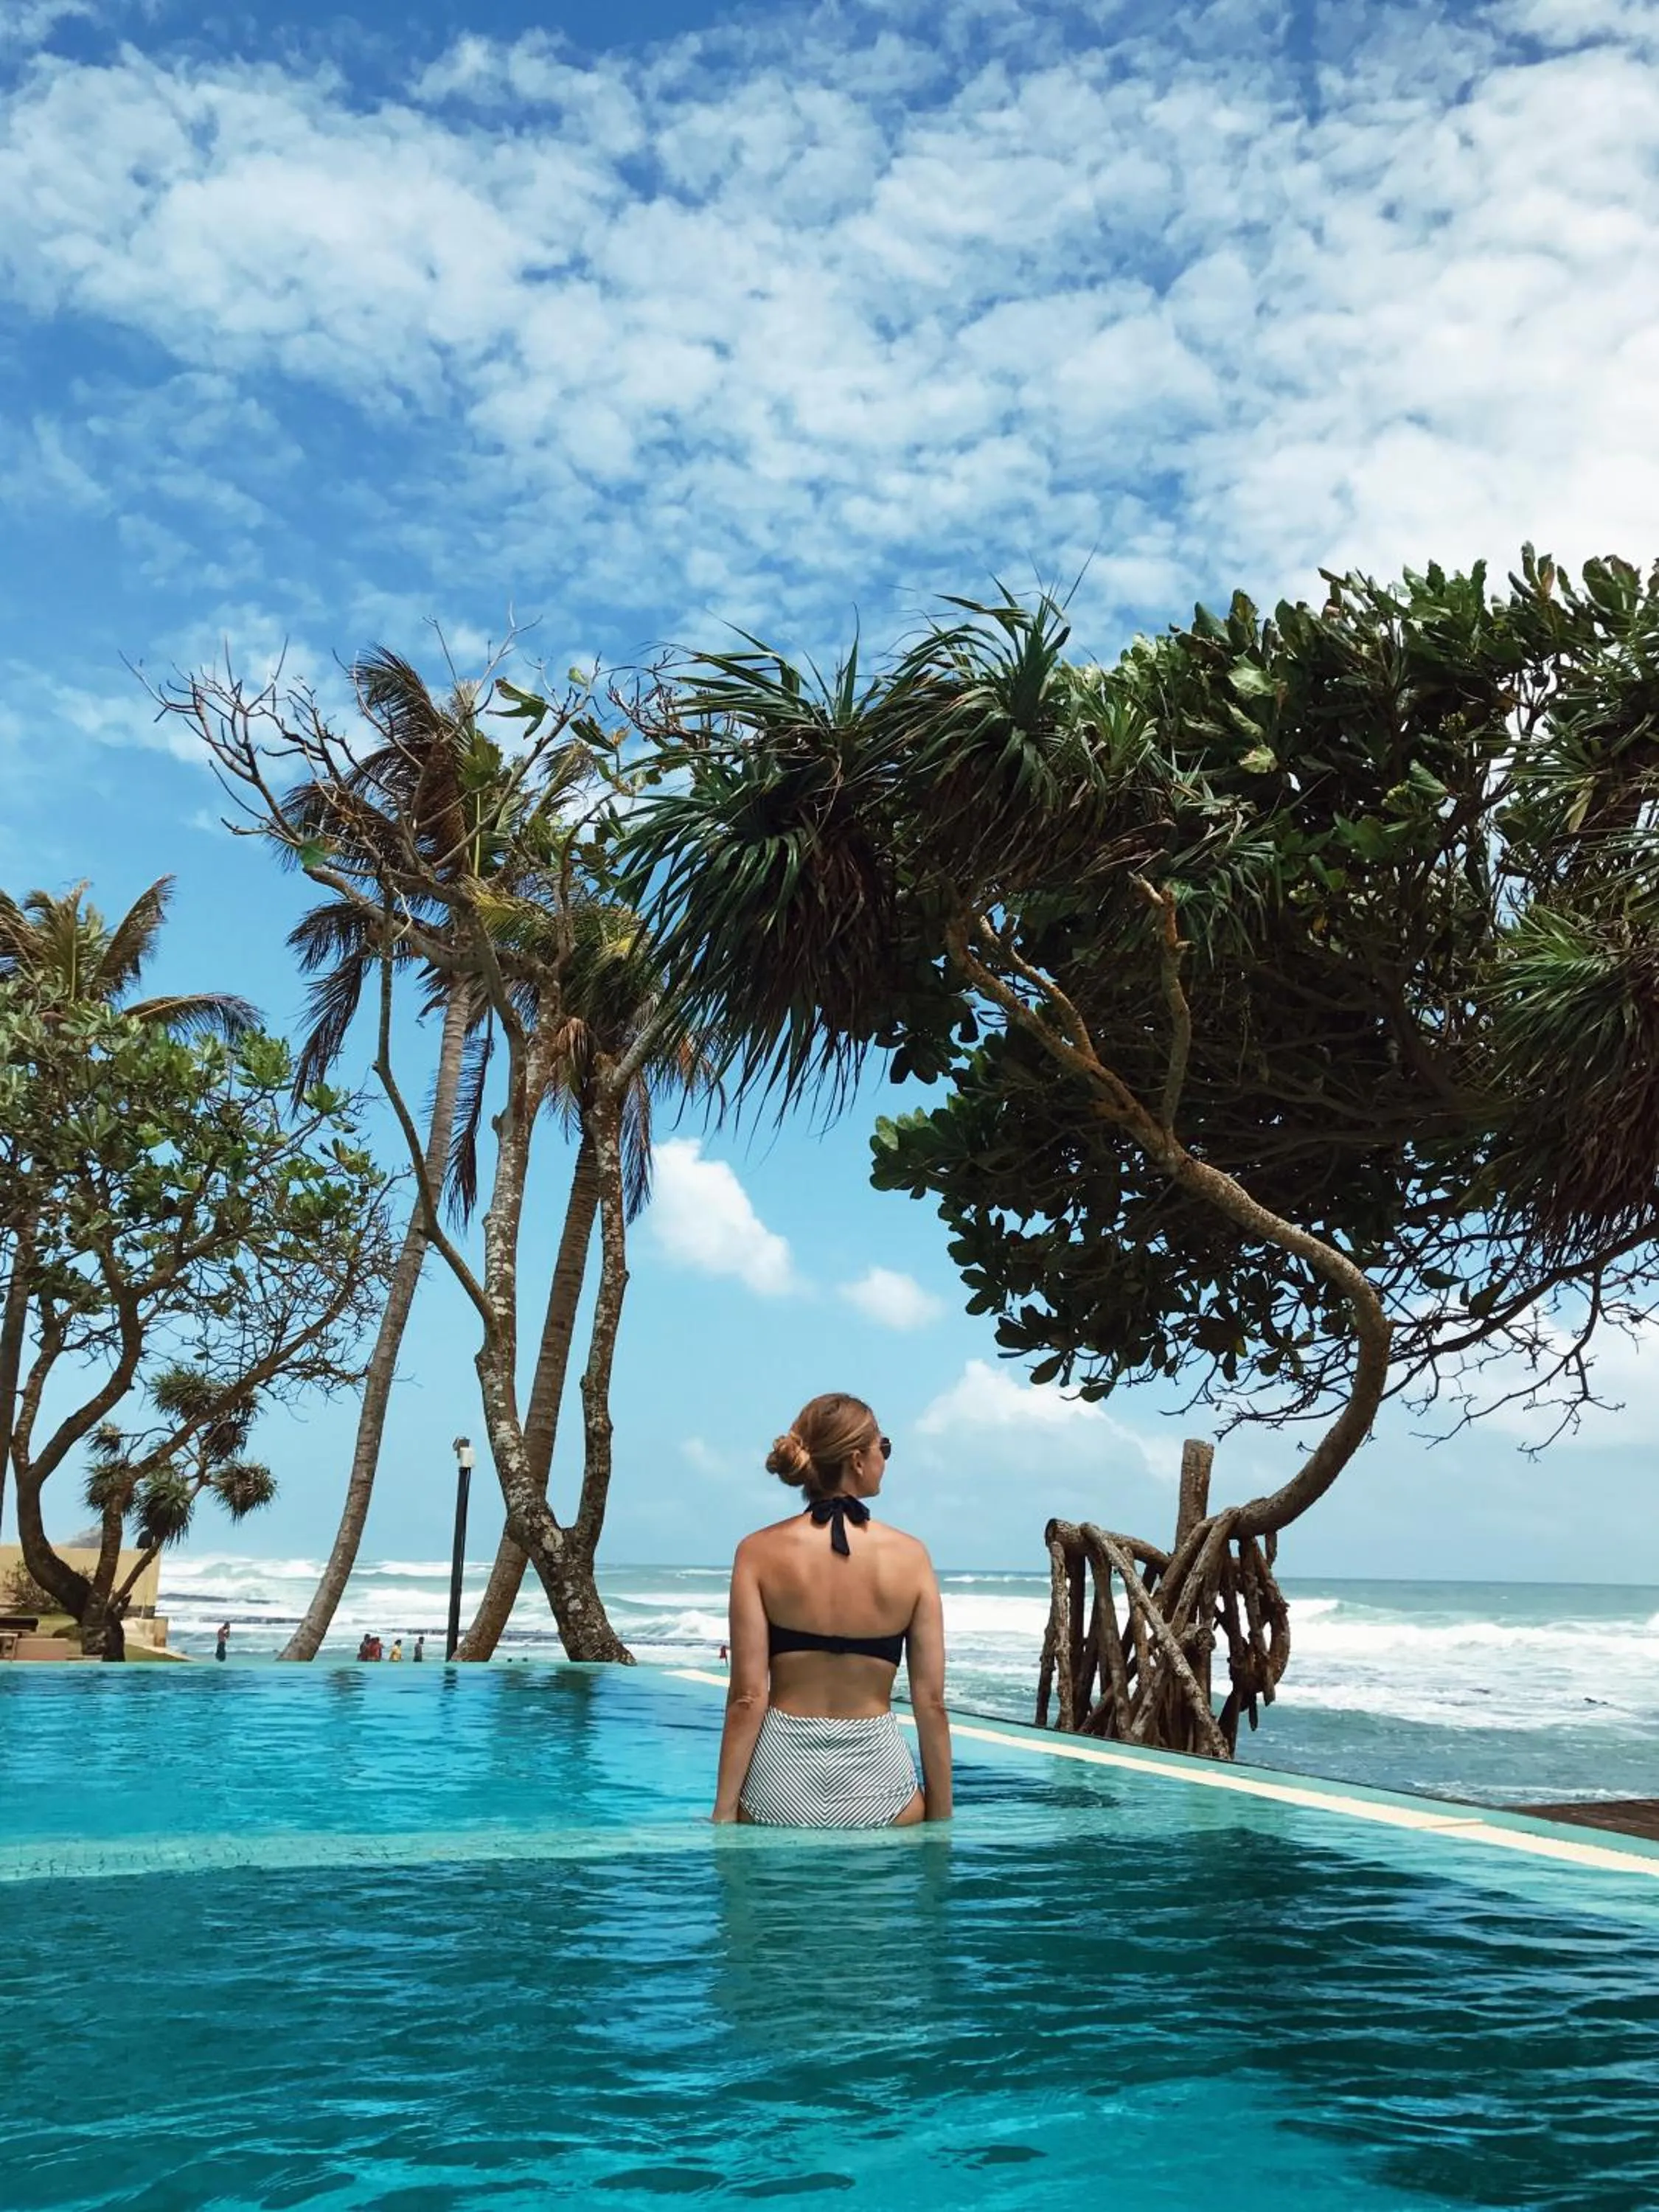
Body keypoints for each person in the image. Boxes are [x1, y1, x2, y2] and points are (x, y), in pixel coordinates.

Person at [712, 1391, 951, 1829]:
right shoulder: (912, 1557)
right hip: (879, 1782)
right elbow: (930, 1703)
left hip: (779, 1783)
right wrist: (942, 1819)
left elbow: (748, 1697)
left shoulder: (757, 1552)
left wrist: (723, 1812)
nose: (886, 1458)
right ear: (858, 1460)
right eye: (886, 1447)